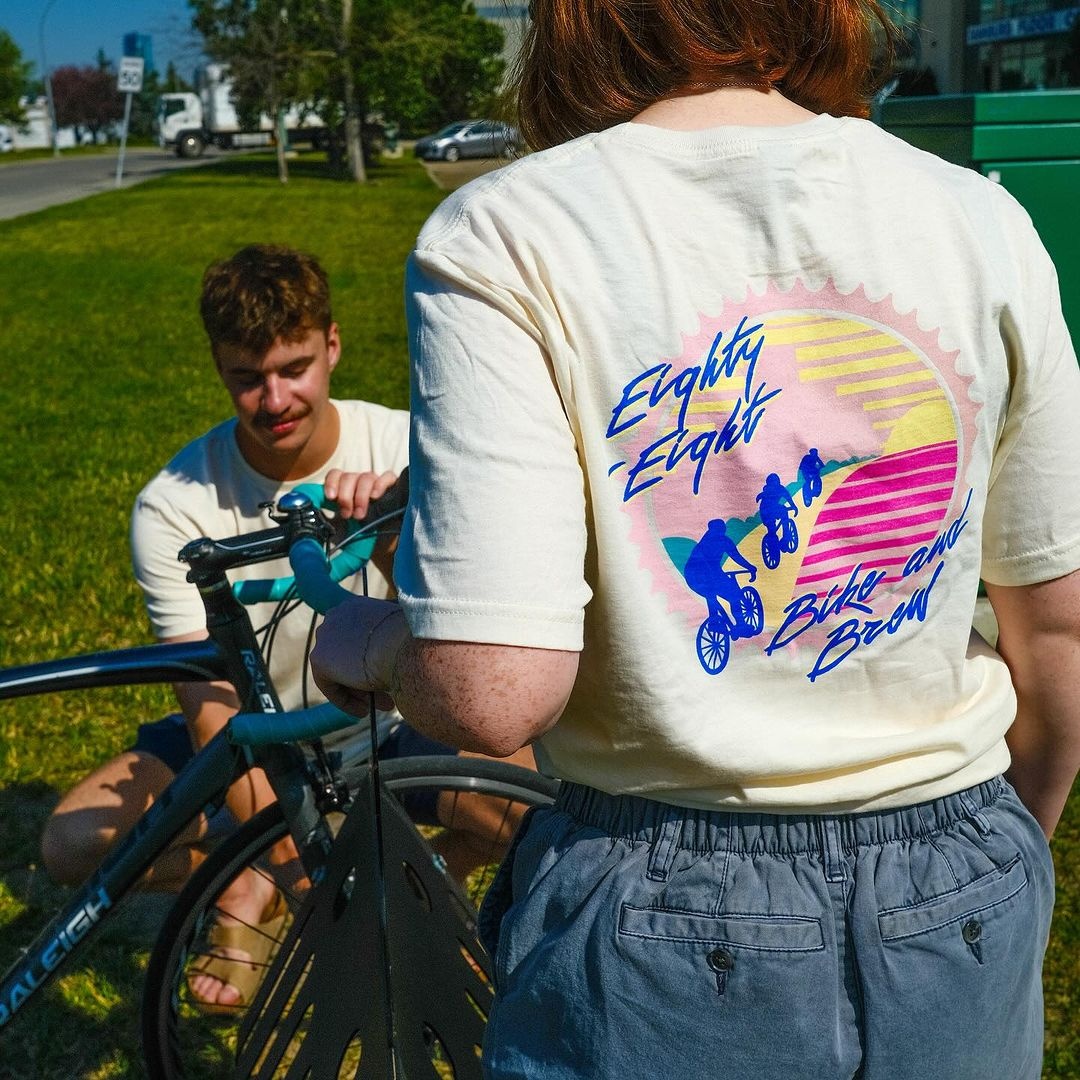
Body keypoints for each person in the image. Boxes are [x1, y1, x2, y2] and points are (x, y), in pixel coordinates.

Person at [310, 2, 1080, 1077]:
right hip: (962, 863)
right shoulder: (980, 218)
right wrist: (996, 853)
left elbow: (493, 692)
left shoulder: (512, 229)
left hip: (660, 892)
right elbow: (1058, 632)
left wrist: (354, 643)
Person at [40, 244, 529, 1012]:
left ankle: (430, 889)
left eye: (293, 367)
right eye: (246, 376)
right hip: (256, 734)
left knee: (529, 799)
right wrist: (296, 872)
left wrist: (398, 535)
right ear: (217, 366)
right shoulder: (172, 504)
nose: (274, 400)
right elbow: (214, 713)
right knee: (73, 843)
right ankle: (253, 882)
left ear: (332, 344)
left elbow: (469, 640)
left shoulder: (406, 450)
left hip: (394, 718)